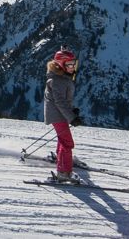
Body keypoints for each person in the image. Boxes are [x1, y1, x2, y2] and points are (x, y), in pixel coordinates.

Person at [43, 49, 82, 183]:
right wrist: (72, 117)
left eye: (74, 64)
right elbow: (59, 102)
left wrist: (71, 111)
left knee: (63, 140)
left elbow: (63, 101)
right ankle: (64, 172)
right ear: (61, 64)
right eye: (69, 65)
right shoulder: (57, 80)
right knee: (68, 143)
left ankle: (62, 160)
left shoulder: (60, 77)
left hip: (59, 114)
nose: (73, 67)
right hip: (57, 115)